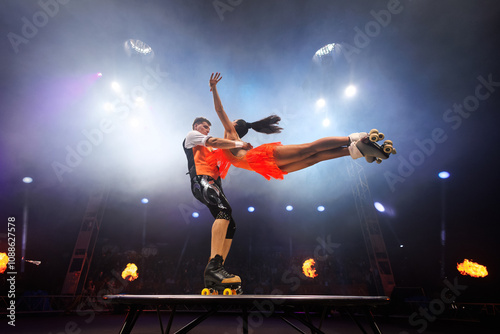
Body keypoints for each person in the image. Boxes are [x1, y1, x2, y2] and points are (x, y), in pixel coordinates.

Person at [208, 72, 392, 180]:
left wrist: (214, 88)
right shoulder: (230, 143)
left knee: (309, 149)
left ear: (233, 125)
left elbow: (219, 109)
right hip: (265, 166)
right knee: (313, 158)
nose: (227, 120)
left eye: (229, 120)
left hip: (260, 158)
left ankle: (352, 138)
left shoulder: (230, 135)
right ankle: (358, 149)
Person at [183, 116, 252, 293]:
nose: (207, 130)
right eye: (204, 127)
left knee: (231, 224)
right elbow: (215, 141)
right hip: (202, 180)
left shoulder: (211, 148)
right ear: (195, 126)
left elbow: (225, 151)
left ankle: (217, 268)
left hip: (213, 183)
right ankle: (213, 267)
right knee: (224, 210)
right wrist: (239, 144)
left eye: (208, 128)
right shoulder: (192, 136)